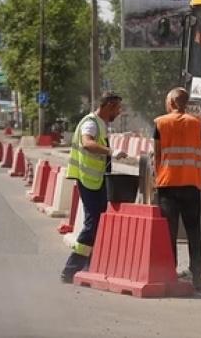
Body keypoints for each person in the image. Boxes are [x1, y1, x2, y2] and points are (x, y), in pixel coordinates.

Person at [153, 87, 201, 288]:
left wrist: (159, 177)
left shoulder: (160, 123)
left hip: (167, 185)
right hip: (191, 185)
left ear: (172, 103)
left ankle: (169, 274)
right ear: (185, 104)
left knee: (169, 232)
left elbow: (157, 154)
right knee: (193, 231)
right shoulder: (198, 123)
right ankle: (197, 277)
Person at [60, 92, 127, 283]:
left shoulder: (101, 125)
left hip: (96, 180)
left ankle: (88, 266)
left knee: (96, 223)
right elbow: (87, 142)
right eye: (118, 108)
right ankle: (71, 269)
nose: (119, 112)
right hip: (89, 181)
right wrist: (110, 151)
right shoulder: (91, 123)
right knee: (92, 224)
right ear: (109, 105)